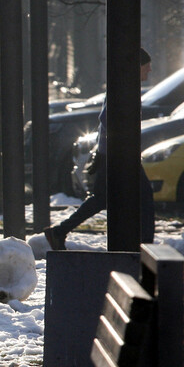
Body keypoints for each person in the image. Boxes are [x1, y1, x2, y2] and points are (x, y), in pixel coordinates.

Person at [45, 48, 154, 250]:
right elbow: (106, 117)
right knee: (144, 197)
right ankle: (147, 247)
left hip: (112, 154)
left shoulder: (122, 85)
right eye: (146, 68)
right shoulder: (124, 87)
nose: (148, 73)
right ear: (136, 67)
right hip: (119, 156)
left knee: (102, 199)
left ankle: (59, 231)